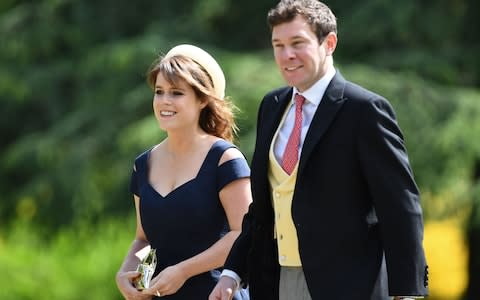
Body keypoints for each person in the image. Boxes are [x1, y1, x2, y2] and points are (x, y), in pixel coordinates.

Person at [209, 1, 429, 299]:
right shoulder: (272, 106)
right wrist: (232, 272)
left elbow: (401, 206)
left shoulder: (364, 110)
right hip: (275, 279)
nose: (287, 55)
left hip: (349, 285)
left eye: (298, 43)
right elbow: (262, 208)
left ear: (330, 43)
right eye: (279, 45)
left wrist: (408, 292)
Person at [116, 44, 251, 300]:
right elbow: (145, 240)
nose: (164, 101)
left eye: (177, 93)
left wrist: (183, 272)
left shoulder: (225, 159)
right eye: (159, 92)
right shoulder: (142, 165)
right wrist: (128, 272)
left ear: (202, 100)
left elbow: (244, 234)